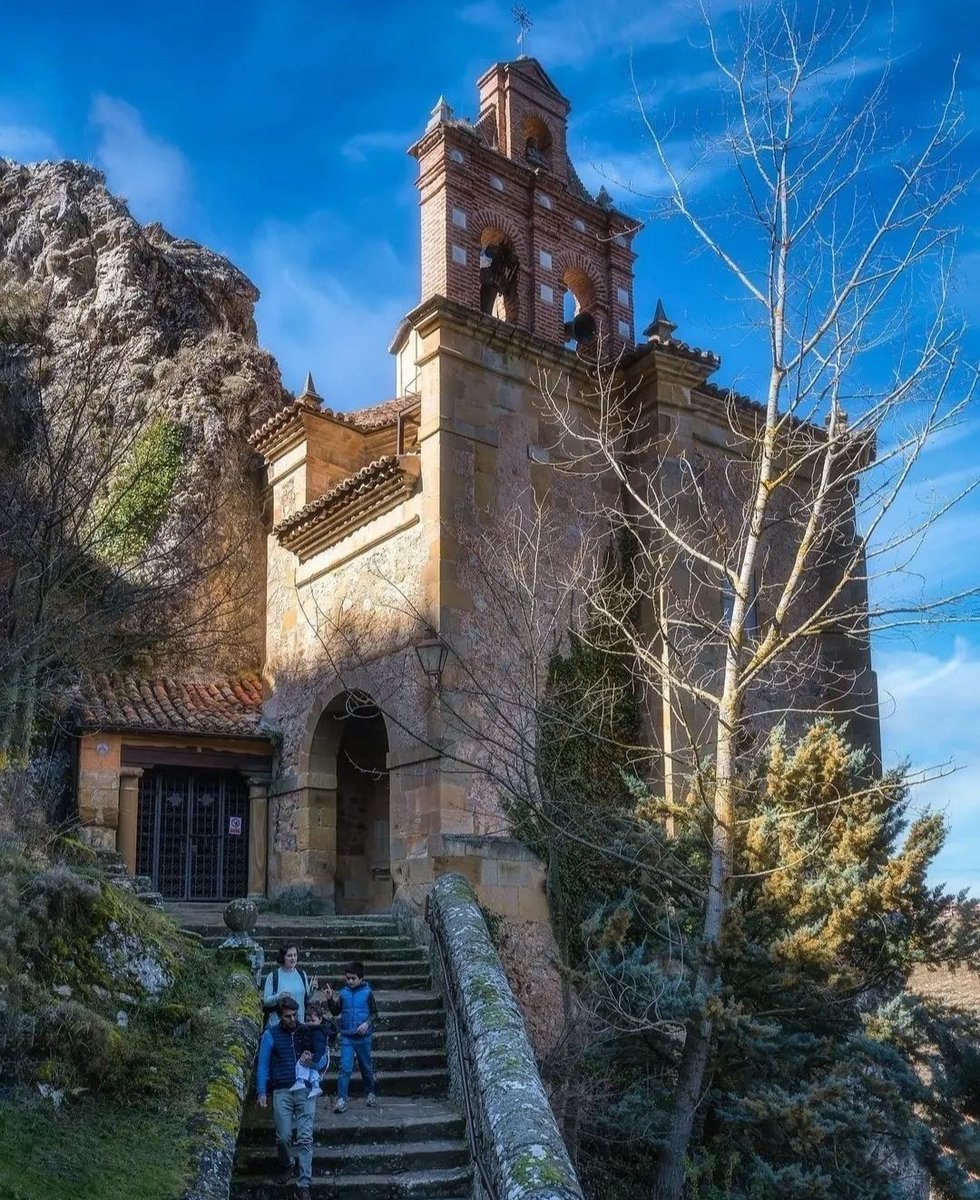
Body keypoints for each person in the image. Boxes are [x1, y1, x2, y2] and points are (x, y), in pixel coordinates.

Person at [256, 995, 326, 1200]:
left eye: (295, 1015)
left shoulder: (308, 1030)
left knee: (305, 1137)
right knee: (284, 1136)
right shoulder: (271, 1035)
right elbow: (262, 1065)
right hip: (282, 1091)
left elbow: (323, 1060)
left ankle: (304, 1184)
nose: (293, 1019)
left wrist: (312, 1060)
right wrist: (261, 1092)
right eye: (288, 1016)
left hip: (304, 1089)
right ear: (280, 1016)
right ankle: (287, 1164)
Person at [325, 960, 378, 1114]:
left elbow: (375, 1014)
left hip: (363, 1037)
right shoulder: (343, 993)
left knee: (366, 1067)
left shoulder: (368, 992)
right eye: (347, 978)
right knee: (345, 1068)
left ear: (360, 978)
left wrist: (367, 1024)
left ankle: (371, 1093)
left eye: (353, 978)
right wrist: (329, 999)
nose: (349, 981)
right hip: (347, 1036)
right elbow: (336, 1012)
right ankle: (341, 1099)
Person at [263, 943, 318, 1027]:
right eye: (289, 955)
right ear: (283, 957)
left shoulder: (302, 974)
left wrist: (312, 989)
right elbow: (266, 1001)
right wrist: (278, 997)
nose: (293, 958)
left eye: (295, 955)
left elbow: (305, 997)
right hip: (278, 1025)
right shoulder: (273, 976)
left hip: (298, 1023)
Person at [289, 1001, 331, 1100]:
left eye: (313, 1020)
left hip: (318, 1057)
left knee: (301, 1063)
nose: (310, 1023)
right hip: (318, 1057)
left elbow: (320, 1047)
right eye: (308, 1021)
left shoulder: (318, 1032)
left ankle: (300, 1081)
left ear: (320, 1019)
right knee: (312, 1069)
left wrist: (314, 1058)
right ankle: (316, 1086)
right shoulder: (311, 1030)